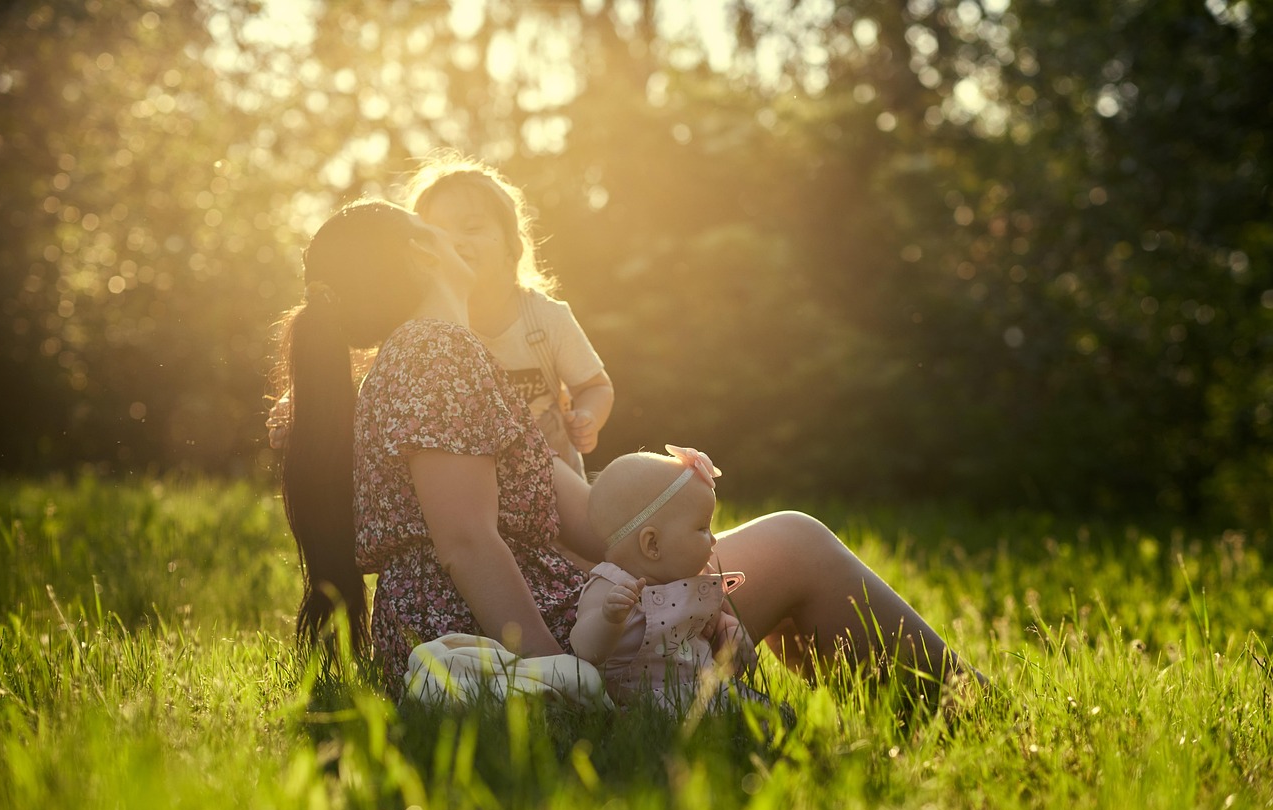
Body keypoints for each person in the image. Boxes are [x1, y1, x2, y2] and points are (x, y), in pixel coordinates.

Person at [277, 199, 984, 703]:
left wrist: (676, 498)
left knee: (772, 555)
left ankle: (916, 708)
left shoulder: (436, 361)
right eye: (433, 221)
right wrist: (565, 680)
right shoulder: (435, 351)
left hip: (517, 616)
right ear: (421, 252)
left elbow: (599, 525)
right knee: (799, 541)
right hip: (510, 638)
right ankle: (974, 714)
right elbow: (466, 541)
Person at [271, 152, 614, 479]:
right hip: (473, 484)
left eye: (472, 228)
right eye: (439, 230)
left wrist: (588, 417)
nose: (456, 241)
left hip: (556, 486)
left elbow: (595, 386)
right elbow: (360, 363)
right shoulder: (426, 326)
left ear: (513, 246)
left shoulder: (545, 319)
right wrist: (299, 401)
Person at [570, 446, 759, 709]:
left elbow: (716, 619)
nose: (714, 539)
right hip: (644, 703)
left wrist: (731, 630)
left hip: (705, 691)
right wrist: (607, 618)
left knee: (764, 716)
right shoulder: (610, 586)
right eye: (703, 527)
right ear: (653, 544)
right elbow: (584, 649)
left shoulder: (695, 579)